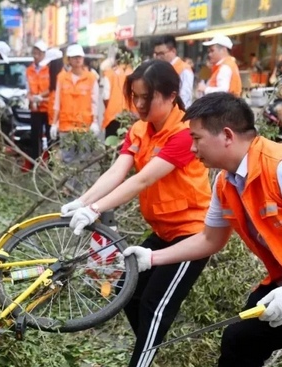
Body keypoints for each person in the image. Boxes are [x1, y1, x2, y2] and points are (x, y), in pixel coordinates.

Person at [61, 60, 212, 367]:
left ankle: (143, 356)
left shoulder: (184, 134)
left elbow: (142, 179)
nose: (140, 104)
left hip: (191, 235)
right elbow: (118, 171)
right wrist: (84, 200)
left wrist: (95, 209)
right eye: (136, 97)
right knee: (126, 293)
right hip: (162, 232)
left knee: (155, 306)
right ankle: (151, 346)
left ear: (171, 96)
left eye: (148, 97)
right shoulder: (139, 130)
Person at [123, 92, 282, 367]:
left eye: (197, 138)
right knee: (239, 340)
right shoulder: (224, 183)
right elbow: (209, 239)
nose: (192, 148)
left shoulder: (277, 166)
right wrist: (151, 258)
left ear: (227, 136)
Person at [50, 44, 99, 161]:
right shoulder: (62, 78)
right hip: (66, 127)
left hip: (84, 127)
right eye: (74, 57)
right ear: (69, 60)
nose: (77, 59)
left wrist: (95, 121)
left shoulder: (91, 78)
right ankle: (70, 181)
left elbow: (94, 102)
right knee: (67, 160)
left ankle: (84, 180)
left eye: (80, 57)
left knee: (84, 160)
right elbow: (57, 102)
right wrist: (54, 123)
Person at [26, 40, 51, 161]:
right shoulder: (29, 70)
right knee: (35, 136)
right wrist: (31, 99)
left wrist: (40, 96)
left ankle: (51, 163)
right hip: (35, 108)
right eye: (34, 53)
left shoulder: (49, 69)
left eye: (39, 53)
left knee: (50, 136)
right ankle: (35, 161)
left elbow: (52, 88)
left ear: (44, 54)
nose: (36, 56)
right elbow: (28, 89)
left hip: (48, 107)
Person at [154, 35, 194, 108]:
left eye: (161, 54)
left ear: (173, 51)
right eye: (156, 54)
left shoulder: (184, 70)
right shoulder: (160, 69)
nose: (158, 57)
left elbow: (185, 98)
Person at [102, 46, 134, 137]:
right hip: (131, 117)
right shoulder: (135, 74)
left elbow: (105, 97)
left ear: (116, 60)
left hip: (113, 117)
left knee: (112, 148)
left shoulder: (109, 74)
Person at [40, 47, 64, 147]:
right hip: (52, 118)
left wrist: (56, 123)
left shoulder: (62, 78)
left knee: (57, 149)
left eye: (49, 64)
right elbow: (52, 92)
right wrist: (40, 97)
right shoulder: (56, 77)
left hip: (59, 121)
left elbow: (61, 102)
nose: (48, 66)